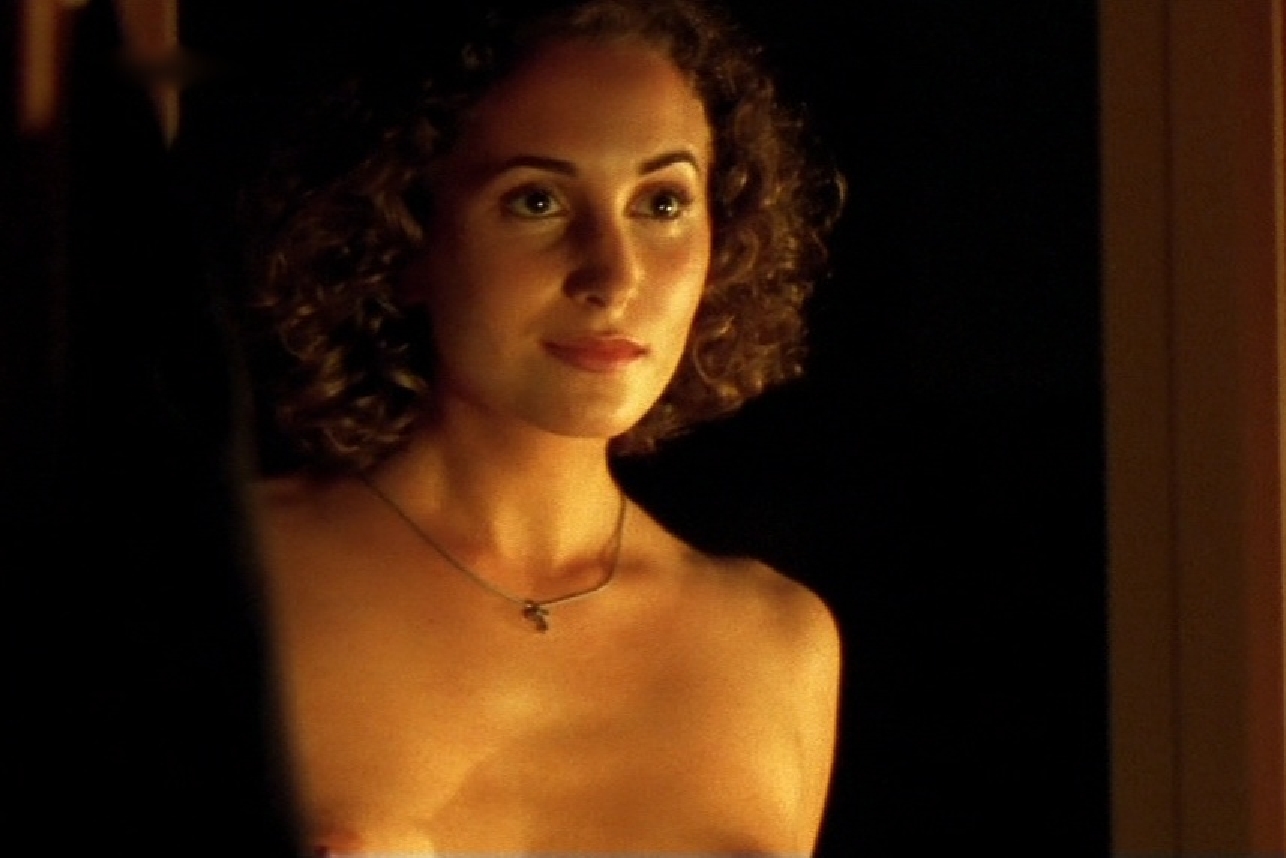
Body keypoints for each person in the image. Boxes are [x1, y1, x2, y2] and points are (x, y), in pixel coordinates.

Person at [243, 0, 843, 854]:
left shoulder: (776, 644)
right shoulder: (234, 575)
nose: (613, 274)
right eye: (537, 201)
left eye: (662, 203)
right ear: (404, 236)